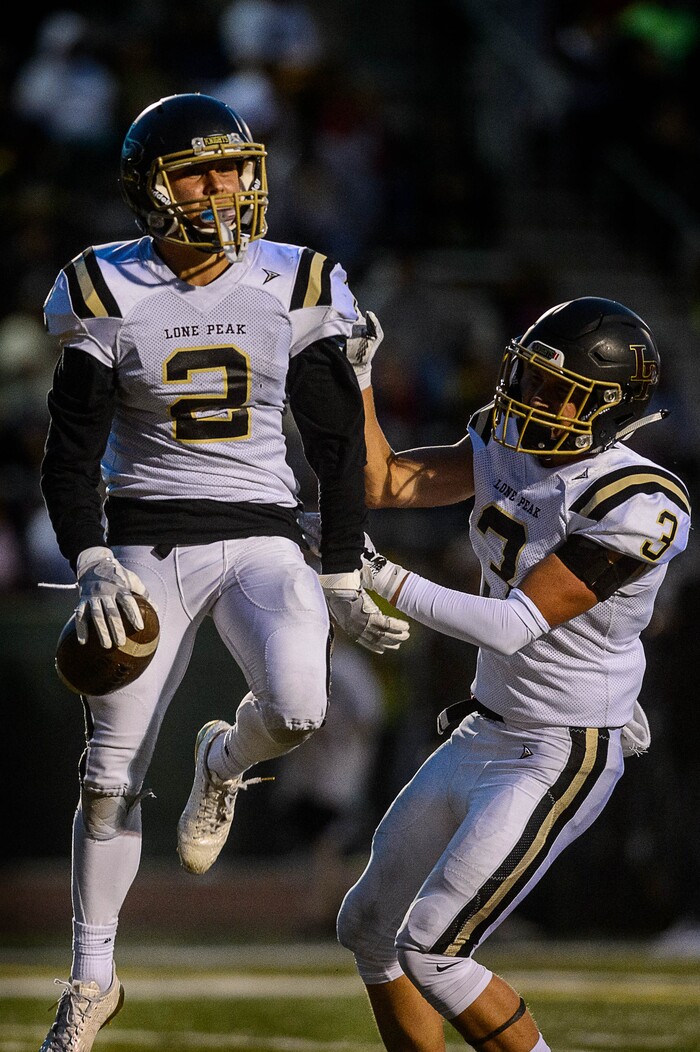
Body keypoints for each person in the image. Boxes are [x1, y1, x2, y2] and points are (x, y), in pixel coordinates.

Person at [38, 92, 408, 1052]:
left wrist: (338, 571)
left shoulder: (299, 277)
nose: (226, 188)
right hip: (142, 541)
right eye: (199, 172)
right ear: (149, 189)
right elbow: (69, 452)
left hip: (261, 532)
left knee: (299, 709)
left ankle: (222, 760)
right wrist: (85, 557)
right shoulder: (104, 286)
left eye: (235, 167)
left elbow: (332, 442)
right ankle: (90, 981)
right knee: (109, 774)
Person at [336, 297, 691, 1052]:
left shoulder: (642, 500)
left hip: (560, 748)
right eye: (530, 380)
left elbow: (513, 623)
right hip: (485, 727)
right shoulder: (506, 437)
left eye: (560, 392)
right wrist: (359, 378)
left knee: (432, 949)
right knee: (367, 925)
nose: (534, 401)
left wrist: (375, 575)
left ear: (610, 407)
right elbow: (386, 483)